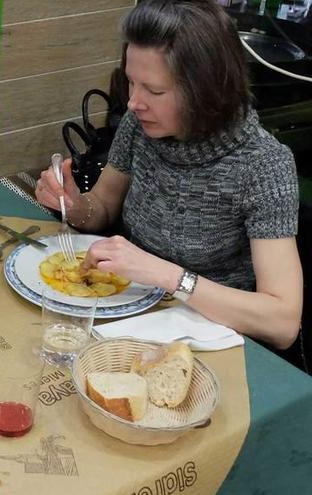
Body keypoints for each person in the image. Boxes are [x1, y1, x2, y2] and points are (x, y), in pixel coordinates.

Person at [35, 0, 302, 349]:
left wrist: (167, 275)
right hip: (126, 310)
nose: (134, 103)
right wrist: (73, 203)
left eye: (155, 91)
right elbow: (102, 206)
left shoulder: (264, 165)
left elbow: (282, 322)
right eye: (132, 83)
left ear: (207, 91)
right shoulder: (138, 126)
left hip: (209, 335)